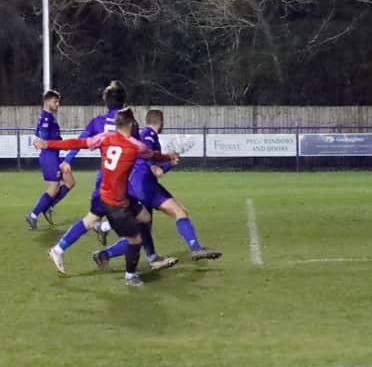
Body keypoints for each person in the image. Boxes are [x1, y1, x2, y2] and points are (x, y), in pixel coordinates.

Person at [34, 108, 179, 286]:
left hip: (106, 192)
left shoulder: (104, 138)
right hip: (116, 202)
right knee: (136, 238)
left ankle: (59, 249)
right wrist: (168, 158)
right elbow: (152, 154)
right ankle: (130, 275)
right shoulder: (135, 145)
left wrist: (48, 144)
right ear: (132, 124)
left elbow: (76, 143)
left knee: (142, 217)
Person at [93, 109, 223, 270]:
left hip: (142, 185)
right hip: (144, 186)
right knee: (178, 213)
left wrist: (169, 164)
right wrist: (155, 166)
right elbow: (148, 158)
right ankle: (195, 249)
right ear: (160, 122)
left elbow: (155, 164)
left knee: (142, 233)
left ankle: (105, 253)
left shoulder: (147, 135)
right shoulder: (148, 135)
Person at [25, 90, 75, 229]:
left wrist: (38, 140)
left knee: (70, 182)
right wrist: (41, 142)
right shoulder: (46, 118)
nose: (58, 104)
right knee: (54, 187)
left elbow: (38, 135)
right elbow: (45, 140)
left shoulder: (47, 117)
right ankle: (33, 215)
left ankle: (48, 206)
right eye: (55, 101)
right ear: (47, 102)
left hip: (55, 155)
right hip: (49, 156)